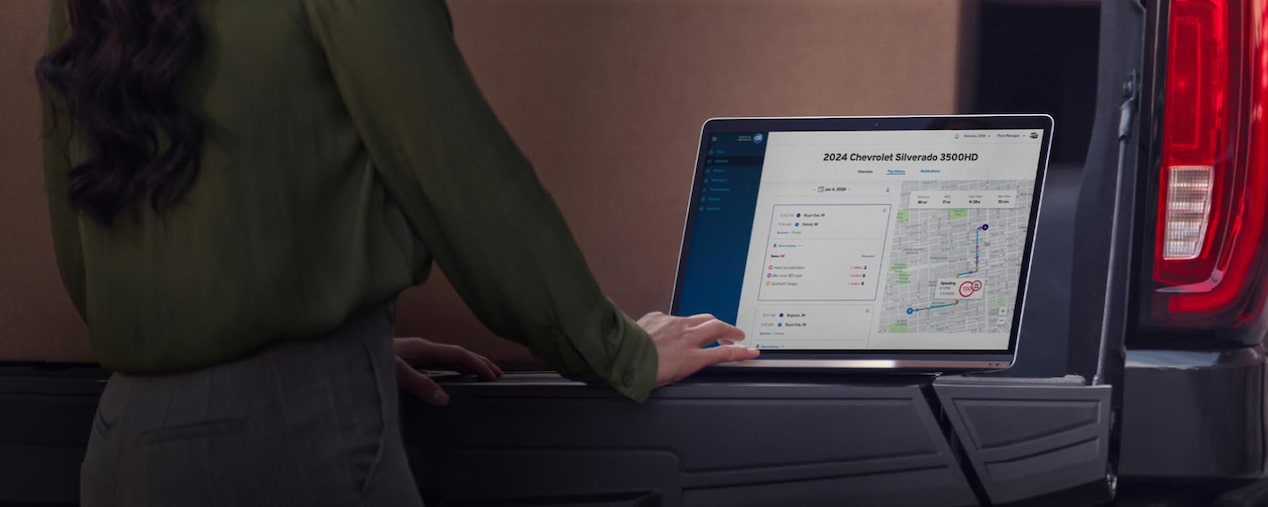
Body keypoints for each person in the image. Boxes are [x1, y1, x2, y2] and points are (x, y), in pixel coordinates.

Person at [35, 0, 759, 505]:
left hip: (120, 445)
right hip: (290, 445)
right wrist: (620, 348)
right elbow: (465, 183)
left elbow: (87, 252)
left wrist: (328, 339)